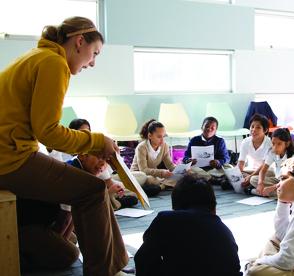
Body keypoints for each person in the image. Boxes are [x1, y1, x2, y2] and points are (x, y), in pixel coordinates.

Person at [0, 17, 128, 276]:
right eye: (94, 54)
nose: (92, 63)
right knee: (92, 190)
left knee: (89, 189)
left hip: (11, 152)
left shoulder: (37, 56)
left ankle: (114, 266)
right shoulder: (53, 63)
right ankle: (106, 271)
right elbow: (48, 133)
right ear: (79, 42)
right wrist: (96, 140)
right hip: (9, 158)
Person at [134, 175, 242, 276]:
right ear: (214, 207)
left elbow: (142, 259)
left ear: (174, 206)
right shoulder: (223, 229)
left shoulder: (166, 220)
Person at [249, 128, 294, 197]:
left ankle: (254, 191)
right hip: (278, 180)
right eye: (273, 144)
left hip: (291, 182)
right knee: (253, 179)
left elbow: (291, 179)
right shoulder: (272, 152)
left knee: (288, 190)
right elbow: (262, 171)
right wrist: (260, 183)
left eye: (279, 144)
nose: (275, 147)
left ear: (287, 144)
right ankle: (275, 193)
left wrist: (272, 188)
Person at [131, 119, 177, 190]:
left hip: (153, 175)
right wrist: (162, 173)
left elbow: (170, 165)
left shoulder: (165, 146)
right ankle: (163, 185)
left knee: (181, 176)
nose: (162, 140)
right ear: (150, 136)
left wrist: (181, 170)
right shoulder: (141, 147)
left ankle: (161, 186)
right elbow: (143, 170)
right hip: (139, 175)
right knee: (148, 179)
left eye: (163, 136)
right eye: (159, 137)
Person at [238, 114, 272, 188]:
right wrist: (237, 175)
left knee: (254, 179)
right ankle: (247, 183)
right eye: (252, 127)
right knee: (231, 170)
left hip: (265, 172)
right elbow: (241, 162)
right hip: (249, 170)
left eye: (258, 127)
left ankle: (250, 184)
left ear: (265, 130)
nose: (253, 130)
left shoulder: (270, 143)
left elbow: (264, 165)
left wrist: (250, 177)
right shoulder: (245, 141)